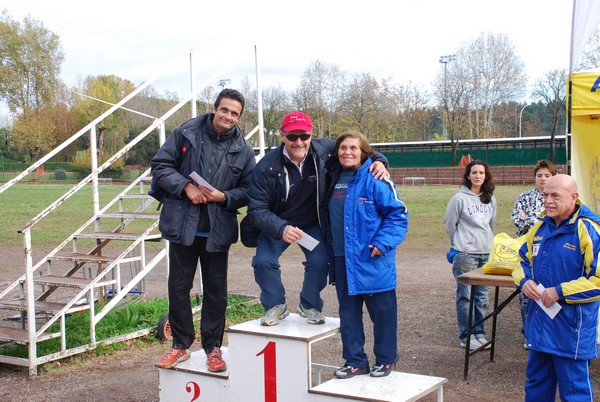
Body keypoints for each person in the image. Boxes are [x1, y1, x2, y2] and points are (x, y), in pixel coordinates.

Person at [247, 111, 388, 326]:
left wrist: (379, 161)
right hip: (278, 223)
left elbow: (359, 150)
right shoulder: (266, 166)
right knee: (263, 262)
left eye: (304, 136)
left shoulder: (325, 150)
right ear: (282, 135)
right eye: (292, 136)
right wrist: (281, 228)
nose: (299, 142)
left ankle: (309, 304)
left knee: (321, 261)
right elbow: (256, 209)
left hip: (312, 224)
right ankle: (275, 305)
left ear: (311, 135)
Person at [151, 89, 256, 371]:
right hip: (183, 225)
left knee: (216, 292)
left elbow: (249, 189)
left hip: (217, 229)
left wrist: (224, 197)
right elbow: (160, 165)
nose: (228, 117)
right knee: (178, 288)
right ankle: (180, 345)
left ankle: (213, 349)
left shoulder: (243, 149)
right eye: (225, 110)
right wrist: (185, 186)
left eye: (234, 113)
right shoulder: (185, 133)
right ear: (215, 109)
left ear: (239, 117)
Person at [324, 131, 408, 379]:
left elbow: (398, 215)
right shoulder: (333, 178)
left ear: (364, 152)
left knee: (382, 314)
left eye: (353, 148)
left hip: (371, 258)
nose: (347, 152)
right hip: (342, 259)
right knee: (348, 314)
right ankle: (355, 361)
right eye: (343, 148)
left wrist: (383, 242)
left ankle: (386, 359)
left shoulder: (376, 177)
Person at [512, 174, 600, 401]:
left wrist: (559, 291)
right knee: (537, 386)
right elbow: (521, 261)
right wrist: (525, 281)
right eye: (545, 195)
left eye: (555, 196)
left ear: (574, 198)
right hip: (540, 323)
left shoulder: (588, 229)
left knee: (575, 391)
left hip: (571, 329)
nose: (548, 201)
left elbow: (597, 280)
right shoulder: (540, 226)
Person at [444, 160, 496, 350]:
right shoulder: (459, 199)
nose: (477, 176)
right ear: (468, 176)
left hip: (486, 254)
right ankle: (467, 335)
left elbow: (491, 225)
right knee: (465, 296)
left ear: (485, 175)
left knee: (482, 297)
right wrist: (458, 245)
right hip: (466, 255)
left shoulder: (490, 199)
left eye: (481, 172)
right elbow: (450, 224)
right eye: (474, 172)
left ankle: (479, 333)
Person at [511, 159, 557, 349]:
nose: (543, 179)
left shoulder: (557, 198)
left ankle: (549, 335)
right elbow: (517, 220)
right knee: (527, 295)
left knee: (551, 295)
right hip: (529, 253)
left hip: (552, 255)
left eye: (547, 175)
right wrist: (541, 221)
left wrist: (534, 220)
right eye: (540, 175)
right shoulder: (524, 197)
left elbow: (555, 222)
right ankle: (529, 333)